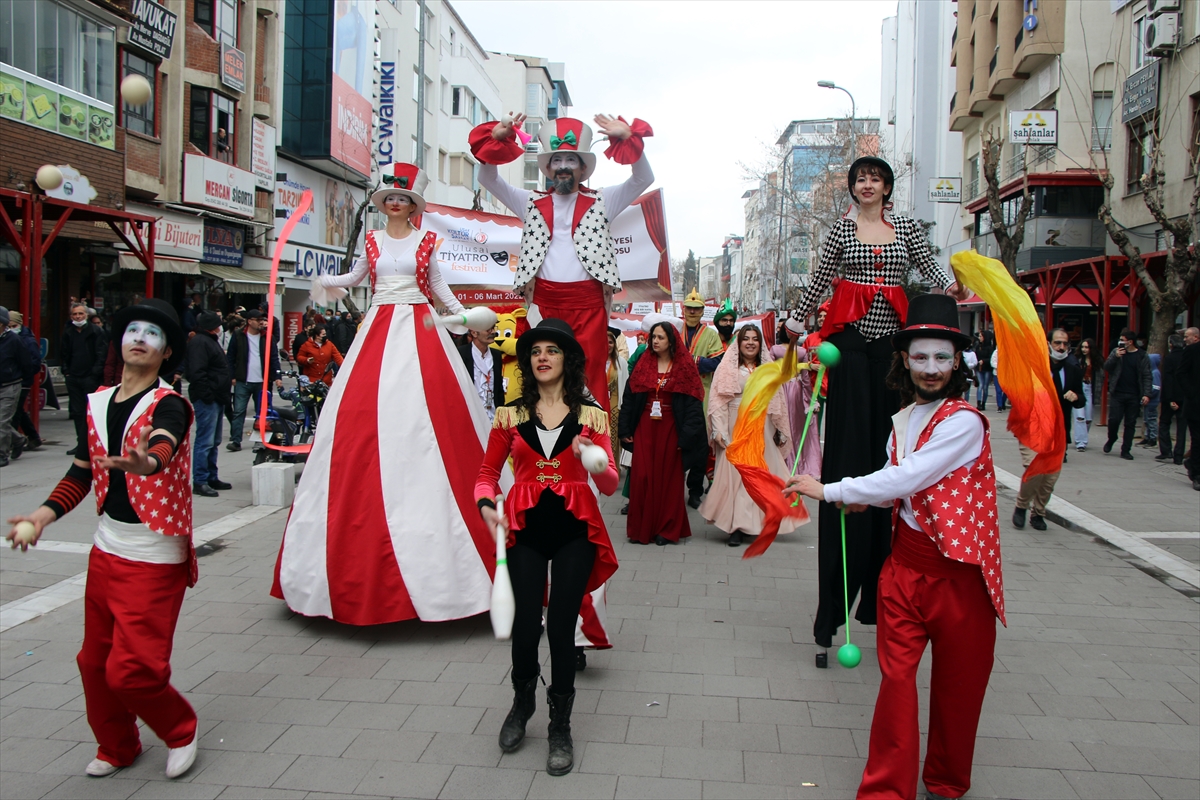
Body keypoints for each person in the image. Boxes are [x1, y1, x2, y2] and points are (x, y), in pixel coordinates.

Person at [787, 294, 1005, 800]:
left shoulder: (964, 423)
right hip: (904, 573)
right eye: (921, 357)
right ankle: (886, 790)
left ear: (958, 363)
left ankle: (946, 783)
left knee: (957, 693)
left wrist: (833, 490)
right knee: (897, 688)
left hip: (960, 581)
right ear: (904, 360)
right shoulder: (902, 419)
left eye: (942, 357)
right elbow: (894, 481)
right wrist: (870, 503)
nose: (931, 369)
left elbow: (913, 474)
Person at [272, 161, 498, 625]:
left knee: (437, 417)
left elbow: (439, 290)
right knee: (358, 415)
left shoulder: (428, 242)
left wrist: (467, 318)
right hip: (377, 329)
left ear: (413, 206)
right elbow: (357, 277)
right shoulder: (372, 242)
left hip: (420, 326)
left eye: (403, 199)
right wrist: (325, 282)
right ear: (384, 205)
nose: (396, 204)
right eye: (391, 198)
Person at [782, 156, 970, 667]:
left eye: (875, 179)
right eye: (860, 179)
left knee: (888, 462)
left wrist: (954, 285)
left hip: (891, 347)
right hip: (849, 346)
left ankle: (880, 601)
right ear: (854, 188)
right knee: (847, 462)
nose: (868, 185)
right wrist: (794, 328)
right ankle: (831, 612)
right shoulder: (842, 229)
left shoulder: (906, 226)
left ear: (887, 187)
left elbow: (930, 267)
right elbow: (819, 281)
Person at [6, 299, 201, 780]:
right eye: (132, 330)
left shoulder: (169, 403)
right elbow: (81, 468)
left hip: (152, 556)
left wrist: (146, 463)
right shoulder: (95, 402)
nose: (139, 338)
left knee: (131, 670)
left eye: (151, 334)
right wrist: (42, 515)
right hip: (106, 550)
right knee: (94, 663)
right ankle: (117, 745)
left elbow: (163, 442)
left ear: (166, 351)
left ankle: (180, 730)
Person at [475, 318, 619, 777]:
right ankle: (521, 706)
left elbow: (612, 485)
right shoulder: (510, 415)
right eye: (535, 350)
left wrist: (589, 458)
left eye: (552, 350)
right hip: (524, 529)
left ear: (566, 360)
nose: (542, 357)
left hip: (576, 531)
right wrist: (484, 505)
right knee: (524, 626)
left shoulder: (592, 416)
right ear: (526, 360)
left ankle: (561, 725)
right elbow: (484, 474)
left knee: (560, 627)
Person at [471, 112, 654, 410]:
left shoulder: (603, 200)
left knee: (589, 378)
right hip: (544, 302)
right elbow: (486, 177)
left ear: (583, 168)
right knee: (544, 377)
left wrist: (627, 137)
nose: (563, 167)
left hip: (589, 305)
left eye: (571, 161)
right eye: (557, 161)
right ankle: (545, 450)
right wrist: (498, 136)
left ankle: (590, 447)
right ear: (548, 168)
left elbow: (643, 178)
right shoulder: (529, 201)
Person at [701, 325, 795, 547]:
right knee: (738, 476)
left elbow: (779, 401)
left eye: (755, 339)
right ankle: (737, 526)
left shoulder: (768, 369)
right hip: (736, 426)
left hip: (762, 428)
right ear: (739, 343)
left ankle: (757, 522)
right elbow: (718, 402)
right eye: (746, 339)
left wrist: (779, 428)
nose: (751, 343)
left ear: (760, 344)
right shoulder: (727, 369)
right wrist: (719, 430)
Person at [619, 321, 707, 546]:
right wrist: (625, 429)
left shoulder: (684, 366)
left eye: (660, 337)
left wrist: (686, 436)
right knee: (642, 477)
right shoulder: (644, 363)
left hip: (671, 427)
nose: (655, 341)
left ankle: (666, 530)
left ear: (671, 341)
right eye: (653, 337)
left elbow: (694, 405)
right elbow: (629, 398)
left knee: (669, 478)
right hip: (645, 427)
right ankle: (641, 529)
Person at [1013, 329, 1083, 531]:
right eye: (1057, 343)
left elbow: (1081, 399)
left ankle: (1039, 512)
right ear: (1048, 344)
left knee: (1050, 476)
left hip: (1057, 431)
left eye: (1065, 344)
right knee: (1034, 469)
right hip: (1031, 427)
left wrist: (1076, 397)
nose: (1061, 347)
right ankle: (1021, 506)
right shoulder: (1035, 367)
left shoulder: (1072, 369)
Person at [680, 289, 726, 507]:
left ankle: (695, 491)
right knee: (676, 441)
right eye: (689, 308)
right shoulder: (673, 331)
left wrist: (693, 361)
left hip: (702, 393)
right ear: (683, 309)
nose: (692, 312)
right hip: (676, 392)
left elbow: (718, 362)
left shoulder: (711, 335)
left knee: (700, 444)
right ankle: (673, 488)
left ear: (702, 311)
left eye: (696, 309)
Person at [184, 311, 231, 498]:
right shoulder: (200, 342)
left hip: (215, 396)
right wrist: (207, 395)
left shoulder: (208, 341)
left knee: (214, 440)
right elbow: (197, 372)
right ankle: (200, 480)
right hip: (208, 398)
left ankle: (211, 475)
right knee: (205, 441)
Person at [225, 310, 282, 451]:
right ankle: (236, 440)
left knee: (262, 412)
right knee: (238, 411)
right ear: (250, 321)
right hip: (243, 380)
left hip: (262, 381)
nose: (261, 322)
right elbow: (231, 357)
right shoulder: (238, 335)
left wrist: (277, 377)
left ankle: (260, 440)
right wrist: (232, 376)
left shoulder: (267, 337)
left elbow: (274, 358)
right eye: (258, 320)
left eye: (262, 320)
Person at [61, 301, 108, 456]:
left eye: (80, 313)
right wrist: (66, 372)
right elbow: (64, 354)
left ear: (86, 315)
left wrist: (95, 373)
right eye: (74, 314)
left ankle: (93, 442)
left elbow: (101, 354)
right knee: (77, 411)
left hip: (90, 377)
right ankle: (81, 443)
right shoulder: (68, 332)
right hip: (73, 377)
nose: (78, 316)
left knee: (91, 412)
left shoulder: (96, 331)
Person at [1103, 329, 1152, 460]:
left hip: (1134, 394)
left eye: (1123, 340)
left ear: (1130, 342)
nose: (1120, 342)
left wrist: (1147, 394)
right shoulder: (1116, 352)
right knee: (1114, 420)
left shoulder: (1142, 355)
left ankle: (1126, 449)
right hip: (1118, 393)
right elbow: (1106, 367)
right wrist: (1115, 357)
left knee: (1130, 423)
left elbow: (1147, 375)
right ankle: (1112, 438)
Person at [0, 306, 36, 467]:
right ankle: (19, 439)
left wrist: (21, 379)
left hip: (10, 385)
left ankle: (2, 454)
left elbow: (26, 363)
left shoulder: (14, 340)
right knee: (3, 423)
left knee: (2, 421)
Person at [6, 311, 43, 452]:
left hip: (21, 382)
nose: (11, 329)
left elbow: (34, 363)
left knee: (13, 413)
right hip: (14, 379)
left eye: (13, 325)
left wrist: (22, 377)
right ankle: (33, 437)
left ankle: (12, 442)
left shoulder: (27, 341)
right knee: (18, 411)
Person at [458, 324, 504, 423]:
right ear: (474, 333)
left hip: (493, 416)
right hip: (469, 417)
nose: (493, 332)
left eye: (493, 328)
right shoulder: (460, 354)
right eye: (488, 329)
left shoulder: (496, 355)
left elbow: (499, 389)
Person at [1157, 333, 1188, 464]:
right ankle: (1179, 454)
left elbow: (1168, 379)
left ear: (1171, 344)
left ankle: (1166, 451)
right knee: (1182, 427)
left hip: (1170, 396)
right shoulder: (1187, 357)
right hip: (1184, 397)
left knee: (1164, 423)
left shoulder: (1169, 359)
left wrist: (1170, 399)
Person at [1178, 327, 1200, 491]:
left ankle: (1192, 463)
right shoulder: (1191, 351)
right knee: (1197, 439)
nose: (1184, 339)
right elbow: (1181, 373)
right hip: (1195, 404)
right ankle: (1196, 474)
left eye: (1187, 336)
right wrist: (1191, 394)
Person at [606, 327, 629, 467]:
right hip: (599, 408)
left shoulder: (621, 363)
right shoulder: (595, 362)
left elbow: (626, 388)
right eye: (604, 342)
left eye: (610, 342)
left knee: (613, 441)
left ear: (614, 344)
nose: (607, 345)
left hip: (615, 408)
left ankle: (612, 468)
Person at [1073, 338, 1099, 451]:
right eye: (1083, 347)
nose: (1084, 349)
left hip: (1090, 389)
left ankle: (1082, 436)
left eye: (1087, 347)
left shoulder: (1096, 361)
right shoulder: (1077, 360)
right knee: (1080, 417)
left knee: (1088, 418)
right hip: (1079, 388)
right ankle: (1080, 442)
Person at [1140, 352, 1162, 448]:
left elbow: (1156, 388)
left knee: (1151, 420)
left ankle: (1152, 438)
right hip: (1148, 401)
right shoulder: (1150, 372)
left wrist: (1148, 394)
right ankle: (1147, 437)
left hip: (1152, 401)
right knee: (1146, 419)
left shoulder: (1155, 373)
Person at [973, 327, 996, 410]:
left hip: (987, 369)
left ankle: (983, 403)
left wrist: (984, 361)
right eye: (979, 336)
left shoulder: (990, 348)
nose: (979, 338)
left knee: (985, 386)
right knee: (981, 385)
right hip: (979, 368)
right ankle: (978, 402)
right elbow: (975, 355)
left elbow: (991, 358)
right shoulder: (977, 346)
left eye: (981, 336)